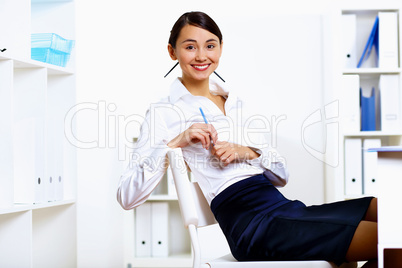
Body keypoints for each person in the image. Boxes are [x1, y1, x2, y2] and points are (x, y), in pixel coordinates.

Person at [117, 11, 401, 268]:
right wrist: (174, 143)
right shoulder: (164, 112)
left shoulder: (236, 101)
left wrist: (247, 152)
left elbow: (282, 175)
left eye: (210, 45)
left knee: (385, 210)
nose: (202, 56)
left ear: (221, 48)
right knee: (387, 237)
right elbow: (127, 197)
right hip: (251, 224)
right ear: (172, 51)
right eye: (190, 46)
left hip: (282, 207)